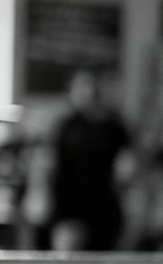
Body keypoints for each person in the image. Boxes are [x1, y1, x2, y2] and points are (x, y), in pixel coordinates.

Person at [49, 69, 131, 252]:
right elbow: (52, 166)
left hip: (104, 211)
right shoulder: (65, 127)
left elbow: (126, 171)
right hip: (69, 210)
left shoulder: (114, 128)